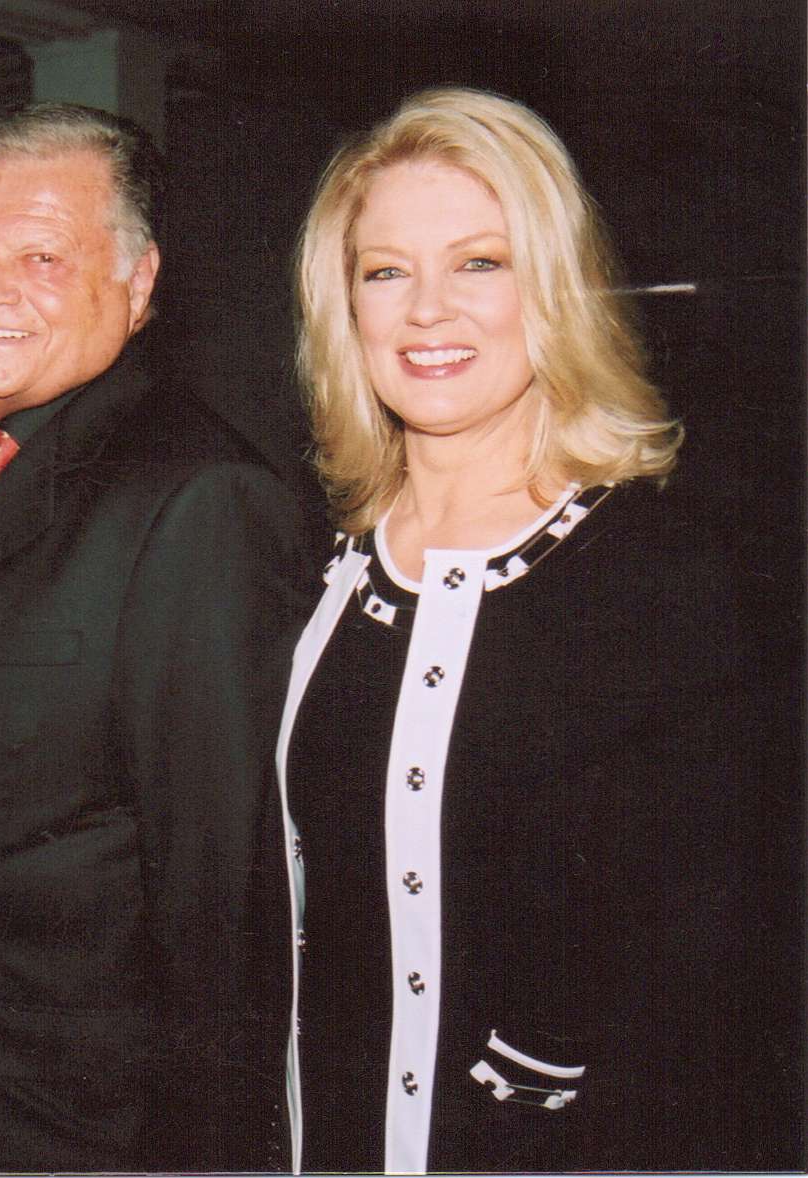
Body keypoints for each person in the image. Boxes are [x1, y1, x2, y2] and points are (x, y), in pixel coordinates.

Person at [278, 87, 802, 1173]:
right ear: (347, 309)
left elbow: (703, 972)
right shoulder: (312, 567)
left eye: (479, 262)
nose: (428, 309)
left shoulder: (668, 579)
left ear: (551, 286)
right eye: (386, 271)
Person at [0, 103, 307, 1172]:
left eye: (42, 255)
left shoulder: (196, 495)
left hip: (50, 1124)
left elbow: (219, 900)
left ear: (139, 282)